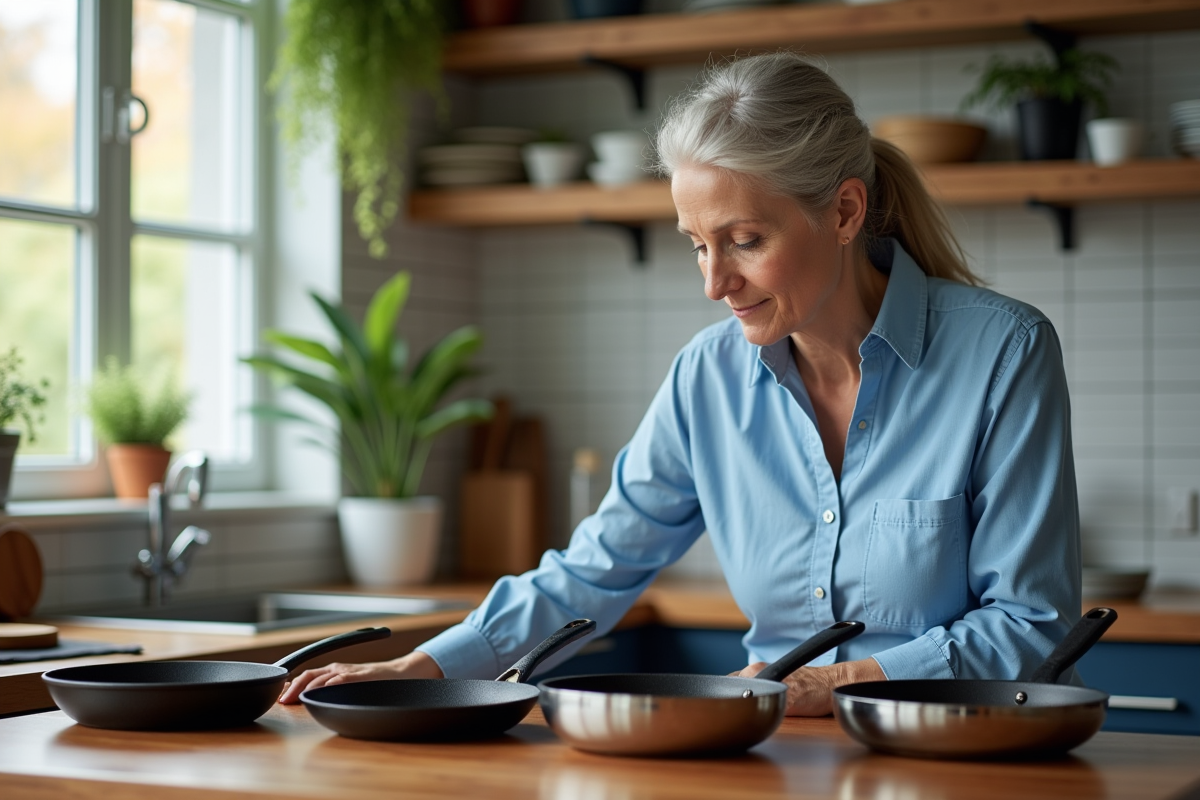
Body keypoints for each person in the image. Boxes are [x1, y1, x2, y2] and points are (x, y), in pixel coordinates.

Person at [279, 52, 1081, 715]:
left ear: (843, 212)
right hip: (778, 755)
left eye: (744, 240)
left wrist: (835, 685)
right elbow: (593, 571)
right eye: (696, 245)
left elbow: (1031, 624)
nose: (715, 282)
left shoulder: (1003, 352)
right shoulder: (709, 377)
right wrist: (427, 666)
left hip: (966, 756)